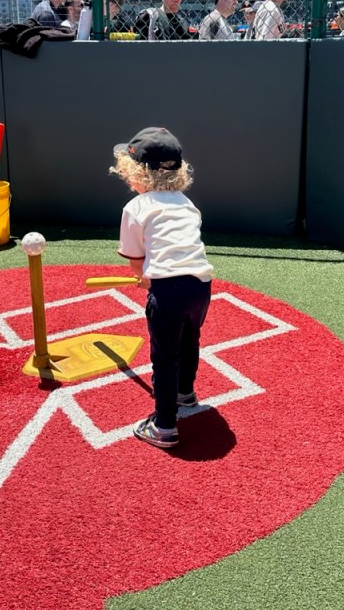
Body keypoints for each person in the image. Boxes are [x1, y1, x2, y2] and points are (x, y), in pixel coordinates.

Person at [108, 126, 213, 449]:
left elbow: (136, 258)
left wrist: (143, 278)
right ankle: (185, 393)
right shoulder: (186, 203)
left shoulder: (136, 208)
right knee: (189, 341)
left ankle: (164, 425)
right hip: (201, 286)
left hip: (168, 292)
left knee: (164, 357)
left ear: (136, 172)